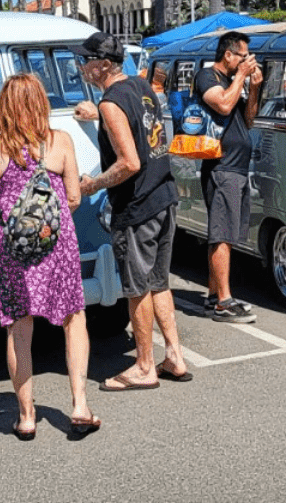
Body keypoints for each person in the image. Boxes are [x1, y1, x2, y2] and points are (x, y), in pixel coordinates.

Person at [74, 31, 189, 391]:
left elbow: (129, 162)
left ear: (104, 65)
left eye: (87, 61)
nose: (83, 66)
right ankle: (173, 356)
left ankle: (143, 366)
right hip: (164, 195)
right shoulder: (140, 86)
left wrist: (92, 184)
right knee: (158, 282)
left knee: (137, 288)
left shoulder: (111, 102)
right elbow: (138, 127)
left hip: (137, 205)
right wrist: (100, 116)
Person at [0, 74, 101, 438]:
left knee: (19, 328)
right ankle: (79, 406)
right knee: (74, 320)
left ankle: (26, 417)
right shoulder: (59, 142)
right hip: (56, 245)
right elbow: (74, 196)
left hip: (13, 250)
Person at [194, 31, 262, 323]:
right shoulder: (207, 77)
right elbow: (221, 104)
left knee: (227, 234)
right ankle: (223, 301)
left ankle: (213, 296)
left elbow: (248, 119)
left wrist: (254, 87)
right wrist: (240, 79)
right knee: (221, 233)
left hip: (237, 166)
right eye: (243, 56)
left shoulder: (235, 82)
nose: (247, 61)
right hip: (221, 167)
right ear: (229, 55)